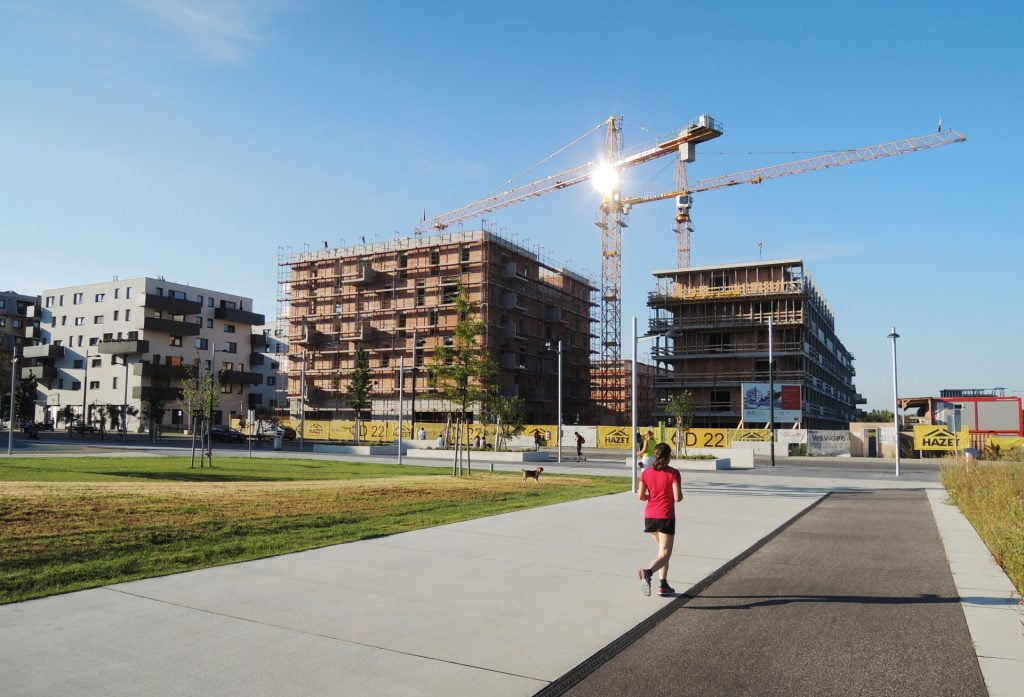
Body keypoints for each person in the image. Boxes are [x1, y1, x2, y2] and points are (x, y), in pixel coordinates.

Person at [637, 443, 683, 597]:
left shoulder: (646, 473)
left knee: (662, 553)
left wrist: (654, 495)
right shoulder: (673, 473)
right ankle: (647, 573)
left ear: (655, 455)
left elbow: (641, 497)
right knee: (665, 554)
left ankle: (663, 585)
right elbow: (678, 497)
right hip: (665, 516)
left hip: (650, 516)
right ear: (668, 456)